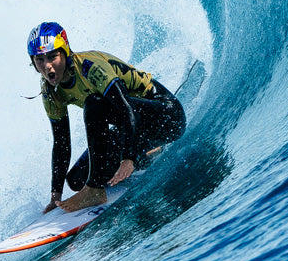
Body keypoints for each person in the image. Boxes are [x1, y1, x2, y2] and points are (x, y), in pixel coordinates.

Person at [26, 22, 186, 213]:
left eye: (53, 56)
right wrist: (55, 195)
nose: (48, 66)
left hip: (167, 117)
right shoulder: (50, 92)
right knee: (76, 179)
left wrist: (128, 158)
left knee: (94, 103)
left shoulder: (90, 68)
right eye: (40, 60)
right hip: (136, 129)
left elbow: (128, 111)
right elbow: (61, 143)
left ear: (65, 52)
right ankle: (147, 153)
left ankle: (95, 189)